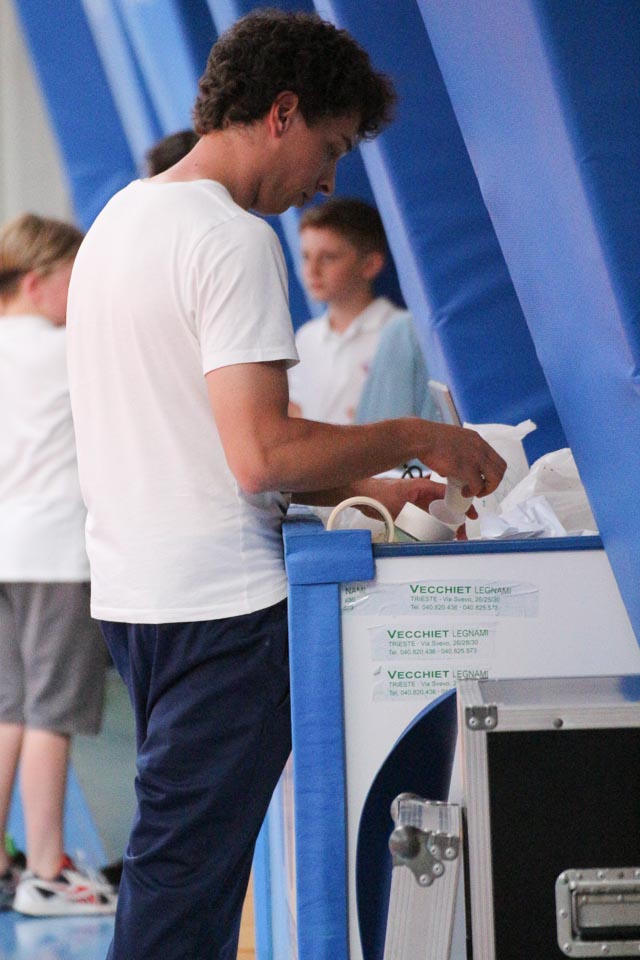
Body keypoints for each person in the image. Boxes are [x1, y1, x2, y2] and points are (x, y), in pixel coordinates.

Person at [66, 10, 505, 959]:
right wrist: (422, 435)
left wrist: (373, 489)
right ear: (283, 113)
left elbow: (190, 444)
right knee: (183, 892)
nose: (328, 181)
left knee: (180, 873)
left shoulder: (119, 221)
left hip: (139, 601)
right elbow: (261, 454)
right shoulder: (230, 238)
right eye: (332, 148)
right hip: (224, 615)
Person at [0, 213, 116, 916]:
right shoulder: (64, 350)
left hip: (6, 550)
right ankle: (47, 871)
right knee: (50, 712)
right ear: (37, 281)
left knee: (9, 708)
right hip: (54, 554)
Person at [288, 197, 404, 423]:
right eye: (306, 257)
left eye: (328, 258)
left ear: (370, 265)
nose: (312, 270)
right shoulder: (305, 339)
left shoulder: (400, 333)